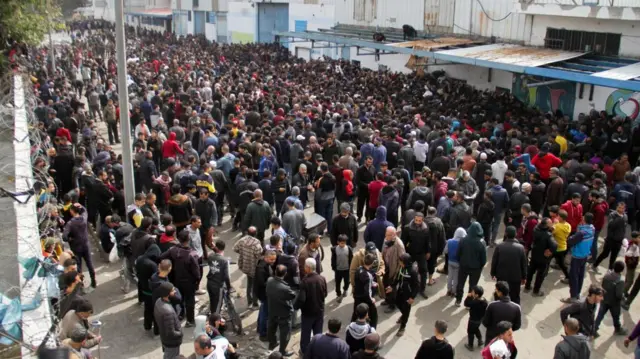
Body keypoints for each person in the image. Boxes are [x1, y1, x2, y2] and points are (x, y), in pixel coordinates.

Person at [159, 230, 201, 328]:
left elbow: (162, 257)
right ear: (189, 239)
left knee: (179, 298)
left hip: (177, 280)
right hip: (189, 282)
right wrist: (197, 283)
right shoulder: (192, 254)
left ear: (178, 239)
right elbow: (197, 273)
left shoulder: (173, 250)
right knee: (190, 301)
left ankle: (181, 314)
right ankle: (190, 320)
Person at [295, 258, 328, 355]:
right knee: (318, 333)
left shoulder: (305, 282)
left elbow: (301, 299)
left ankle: (305, 352)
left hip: (308, 313)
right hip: (319, 311)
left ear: (308, 268)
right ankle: (317, 350)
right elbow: (325, 293)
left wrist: (295, 307)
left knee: (306, 334)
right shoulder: (322, 278)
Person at [562, 213, 595, 303]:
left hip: (577, 256)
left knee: (573, 276)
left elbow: (570, 241)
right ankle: (577, 293)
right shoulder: (592, 228)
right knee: (580, 275)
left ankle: (573, 296)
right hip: (585, 255)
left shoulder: (582, 233)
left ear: (584, 220)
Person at [490, 226, 527, 305]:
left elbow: (494, 262)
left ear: (506, 234)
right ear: (516, 234)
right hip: (515, 278)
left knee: (499, 295)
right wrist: (524, 277)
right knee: (515, 297)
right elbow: (524, 264)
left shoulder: (500, 247)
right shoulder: (520, 248)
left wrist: (493, 273)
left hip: (501, 277)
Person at [62, 204, 96, 288]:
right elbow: (85, 211)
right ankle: (93, 282)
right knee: (90, 264)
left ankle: (80, 284)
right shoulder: (83, 219)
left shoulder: (70, 223)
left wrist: (70, 239)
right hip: (86, 245)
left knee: (79, 266)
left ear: (72, 211)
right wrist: (81, 206)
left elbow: (64, 237)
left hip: (76, 247)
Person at [266, 264, 297, 357]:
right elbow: (292, 295)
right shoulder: (285, 288)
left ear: (275, 272)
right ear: (285, 274)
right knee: (285, 334)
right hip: (283, 314)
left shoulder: (269, 281)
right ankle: (282, 351)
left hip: (272, 310)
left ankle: (272, 343)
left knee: (271, 328)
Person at [455, 222, 487, 306]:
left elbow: (458, 254)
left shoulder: (463, 240)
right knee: (472, 286)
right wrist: (480, 266)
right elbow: (483, 259)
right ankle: (469, 303)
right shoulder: (481, 242)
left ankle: (458, 300)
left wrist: (461, 262)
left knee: (460, 283)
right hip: (476, 269)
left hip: (463, 266)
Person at [524, 217, 557, 296]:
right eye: (550, 223)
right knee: (540, 275)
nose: (551, 224)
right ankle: (536, 291)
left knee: (531, 271)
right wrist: (550, 251)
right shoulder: (548, 235)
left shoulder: (536, 229)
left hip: (535, 254)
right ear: (546, 225)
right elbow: (554, 245)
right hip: (543, 257)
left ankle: (527, 286)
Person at [594, 260, 628, 337]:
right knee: (616, 316)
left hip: (604, 298)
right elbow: (618, 294)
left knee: (600, 315)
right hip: (614, 303)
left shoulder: (606, 275)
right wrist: (623, 296)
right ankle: (618, 329)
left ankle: (594, 329)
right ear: (622, 270)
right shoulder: (620, 281)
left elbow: (602, 286)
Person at [233, 227, 264, 308]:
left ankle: (249, 302)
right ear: (255, 233)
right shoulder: (256, 243)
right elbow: (260, 255)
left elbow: (235, 248)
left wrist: (243, 253)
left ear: (247, 232)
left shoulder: (242, 240)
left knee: (249, 284)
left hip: (245, 266)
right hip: (254, 267)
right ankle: (255, 303)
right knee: (255, 286)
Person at [389, 253, 419, 337]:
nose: (399, 263)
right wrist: (392, 286)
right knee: (397, 303)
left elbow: (416, 286)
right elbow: (398, 278)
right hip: (400, 291)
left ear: (405, 262)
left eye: (400, 261)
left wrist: (412, 297)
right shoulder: (402, 269)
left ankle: (402, 327)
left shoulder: (412, 272)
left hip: (408, 295)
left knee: (406, 310)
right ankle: (404, 315)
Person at [592, 202, 628, 272]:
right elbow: (611, 225)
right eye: (619, 207)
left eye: (622, 208)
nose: (621, 209)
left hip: (619, 241)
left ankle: (610, 270)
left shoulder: (625, 216)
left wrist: (623, 237)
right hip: (610, 240)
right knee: (605, 254)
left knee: (614, 257)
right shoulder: (612, 215)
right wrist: (619, 218)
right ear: (617, 207)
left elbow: (624, 228)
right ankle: (595, 264)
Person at [402, 212, 430, 298]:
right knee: (408, 271)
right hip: (410, 253)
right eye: (416, 220)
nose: (417, 222)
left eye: (419, 220)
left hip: (421, 253)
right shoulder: (407, 228)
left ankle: (422, 289)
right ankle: (409, 288)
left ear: (422, 220)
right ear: (414, 219)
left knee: (424, 270)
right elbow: (403, 241)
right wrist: (404, 253)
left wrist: (428, 251)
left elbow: (428, 241)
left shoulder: (425, 228)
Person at [136, 243, 161, 332]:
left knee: (147, 309)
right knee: (156, 311)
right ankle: (156, 331)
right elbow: (156, 279)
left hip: (143, 289)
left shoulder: (140, 259)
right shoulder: (153, 265)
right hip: (152, 291)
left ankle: (147, 326)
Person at [154, 282, 183, 359]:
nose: (175, 292)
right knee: (172, 356)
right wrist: (180, 333)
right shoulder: (168, 312)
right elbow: (171, 333)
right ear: (167, 294)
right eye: (173, 291)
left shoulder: (158, 301)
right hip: (172, 343)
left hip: (165, 338)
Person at [381, 226, 406, 313]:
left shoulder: (399, 245)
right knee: (385, 284)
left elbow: (402, 260)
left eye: (388, 235)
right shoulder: (386, 240)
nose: (386, 236)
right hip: (386, 267)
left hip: (394, 270)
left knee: (392, 288)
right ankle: (387, 300)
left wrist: (397, 273)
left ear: (394, 235)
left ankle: (392, 305)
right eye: (386, 234)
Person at [352, 253, 379, 329]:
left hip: (357, 296)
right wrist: (372, 300)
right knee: (374, 316)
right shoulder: (368, 276)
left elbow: (359, 282)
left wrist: (371, 283)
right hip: (365, 298)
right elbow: (367, 292)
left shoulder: (359, 269)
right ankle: (372, 330)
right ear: (372, 263)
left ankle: (352, 327)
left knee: (356, 313)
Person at [255, 250, 277, 341]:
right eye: (271, 259)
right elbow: (261, 283)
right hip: (263, 294)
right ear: (266, 257)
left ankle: (259, 328)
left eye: (274, 259)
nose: (273, 261)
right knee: (265, 313)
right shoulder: (261, 268)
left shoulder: (265, 264)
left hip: (263, 293)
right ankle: (263, 334)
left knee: (262, 310)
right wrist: (271, 282)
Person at [206, 240, 232, 315]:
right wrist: (229, 287)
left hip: (209, 283)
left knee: (212, 301)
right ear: (224, 248)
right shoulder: (224, 260)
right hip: (218, 286)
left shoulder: (210, 256)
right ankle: (215, 321)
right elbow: (226, 276)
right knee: (218, 305)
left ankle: (212, 315)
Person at [463, 285, 487, 351]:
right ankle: (480, 340)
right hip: (479, 320)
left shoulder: (474, 302)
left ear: (476, 295)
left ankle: (470, 345)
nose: (471, 292)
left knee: (470, 332)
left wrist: (468, 297)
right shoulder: (484, 301)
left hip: (473, 320)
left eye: (473, 292)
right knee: (476, 329)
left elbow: (466, 304)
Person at [331, 234, 353, 303]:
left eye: (344, 243)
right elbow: (333, 259)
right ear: (338, 242)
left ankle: (345, 289)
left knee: (347, 282)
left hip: (346, 270)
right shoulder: (334, 249)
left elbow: (351, 259)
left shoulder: (349, 249)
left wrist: (351, 268)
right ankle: (338, 294)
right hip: (338, 270)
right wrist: (334, 267)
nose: (343, 244)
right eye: (341, 243)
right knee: (337, 283)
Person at [443, 227, 465, 297]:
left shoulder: (449, 241)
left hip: (450, 261)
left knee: (450, 276)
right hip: (458, 263)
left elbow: (445, 251)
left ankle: (448, 290)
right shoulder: (462, 243)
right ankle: (454, 292)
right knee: (456, 278)